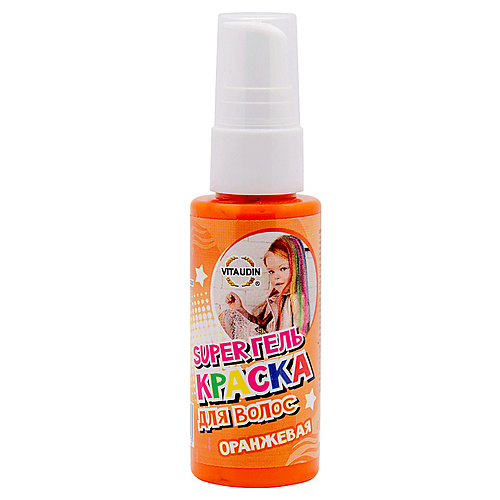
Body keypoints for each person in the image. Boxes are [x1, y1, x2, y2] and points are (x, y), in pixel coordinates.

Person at [219, 235, 310, 339]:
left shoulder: (297, 300)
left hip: (278, 345)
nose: (276, 276)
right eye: (271, 271)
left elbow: (301, 336)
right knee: (228, 316)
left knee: (228, 316)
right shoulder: (274, 299)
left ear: (297, 268)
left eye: (283, 269)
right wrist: (240, 309)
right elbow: (261, 328)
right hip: (266, 341)